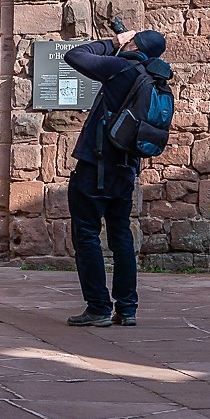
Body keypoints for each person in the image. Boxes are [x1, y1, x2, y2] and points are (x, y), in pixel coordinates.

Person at [63, 28, 168, 327]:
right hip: (126, 169)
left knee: (86, 235)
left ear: (135, 44)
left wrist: (113, 43)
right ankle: (127, 308)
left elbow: (75, 56)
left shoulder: (122, 67)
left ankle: (97, 307)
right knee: (121, 236)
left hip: (96, 167)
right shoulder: (152, 78)